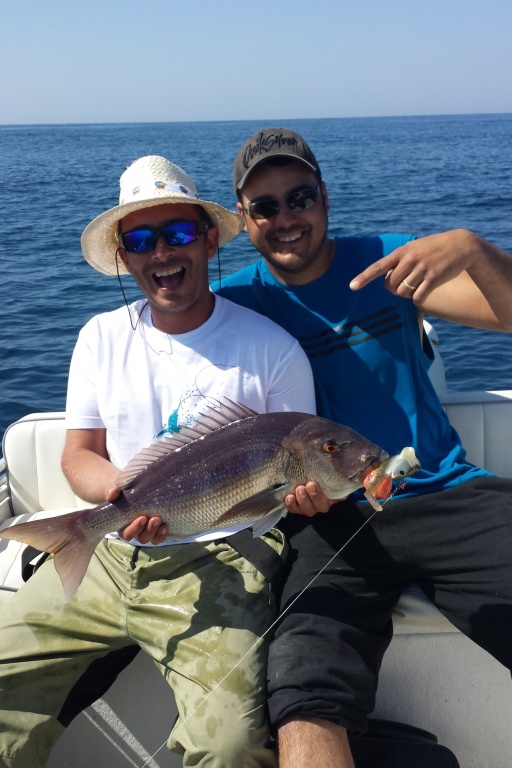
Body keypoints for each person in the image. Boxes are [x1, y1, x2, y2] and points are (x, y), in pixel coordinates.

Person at [0, 155, 317, 768]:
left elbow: (293, 482)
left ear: (206, 240)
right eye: (141, 240)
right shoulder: (99, 337)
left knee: (229, 745)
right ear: (123, 256)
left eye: (176, 234)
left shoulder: (272, 350)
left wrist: (312, 493)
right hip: (111, 550)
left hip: (225, 559)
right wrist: (123, 496)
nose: (161, 254)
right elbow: (79, 455)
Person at [211, 126, 512, 768]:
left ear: (324, 196)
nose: (286, 218)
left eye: (300, 197)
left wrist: (475, 249)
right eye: (265, 206)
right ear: (243, 218)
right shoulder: (234, 303)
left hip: (447, 494)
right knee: (301, 693)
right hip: (327, 523)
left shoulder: (388, 263)